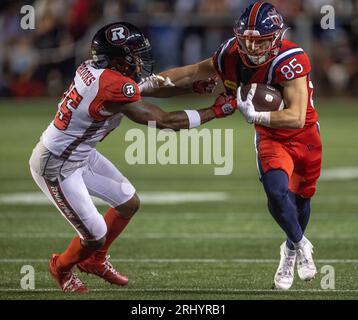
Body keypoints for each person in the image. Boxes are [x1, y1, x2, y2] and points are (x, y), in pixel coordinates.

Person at [29, 22, 236, 293]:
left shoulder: (98, 71)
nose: (139, 60)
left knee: (128, 203)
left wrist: (192, 87)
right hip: (56, 163)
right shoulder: (111, 85)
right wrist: (215, 112)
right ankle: (62, 266)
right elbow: (163, 121)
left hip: (79, 153)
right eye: (133, 55)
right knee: (94, 235)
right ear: (117, 59)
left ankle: (95, 261)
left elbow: (149, 86)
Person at [146, 1, 322, 290]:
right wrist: (144, 86)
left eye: (260, 41)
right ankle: (302, 244)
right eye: (247, 41)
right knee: (277, 193)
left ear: (276, 38)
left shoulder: (291, 57)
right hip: (269, 135)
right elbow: (191, 74)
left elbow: (295, 117)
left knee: (301, 198)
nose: (252, 49)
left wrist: (255, 114)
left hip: (303, 136)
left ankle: (289, 249)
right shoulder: (229, 53)